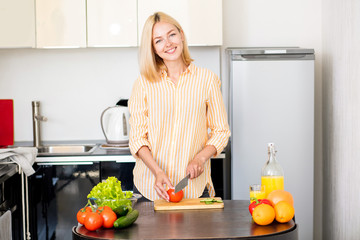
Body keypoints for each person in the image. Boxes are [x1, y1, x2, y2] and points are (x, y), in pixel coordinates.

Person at [128, 12, 230, 202]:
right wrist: (158, 172)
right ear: (153, 49)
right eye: (158, 40)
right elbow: (137, 138)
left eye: (171, 35)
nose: (168, 43)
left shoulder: (207, 80)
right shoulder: (143, 84)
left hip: (194, 189)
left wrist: (200, 158)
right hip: (150, 188)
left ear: (181, 35)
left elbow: (221, 131)